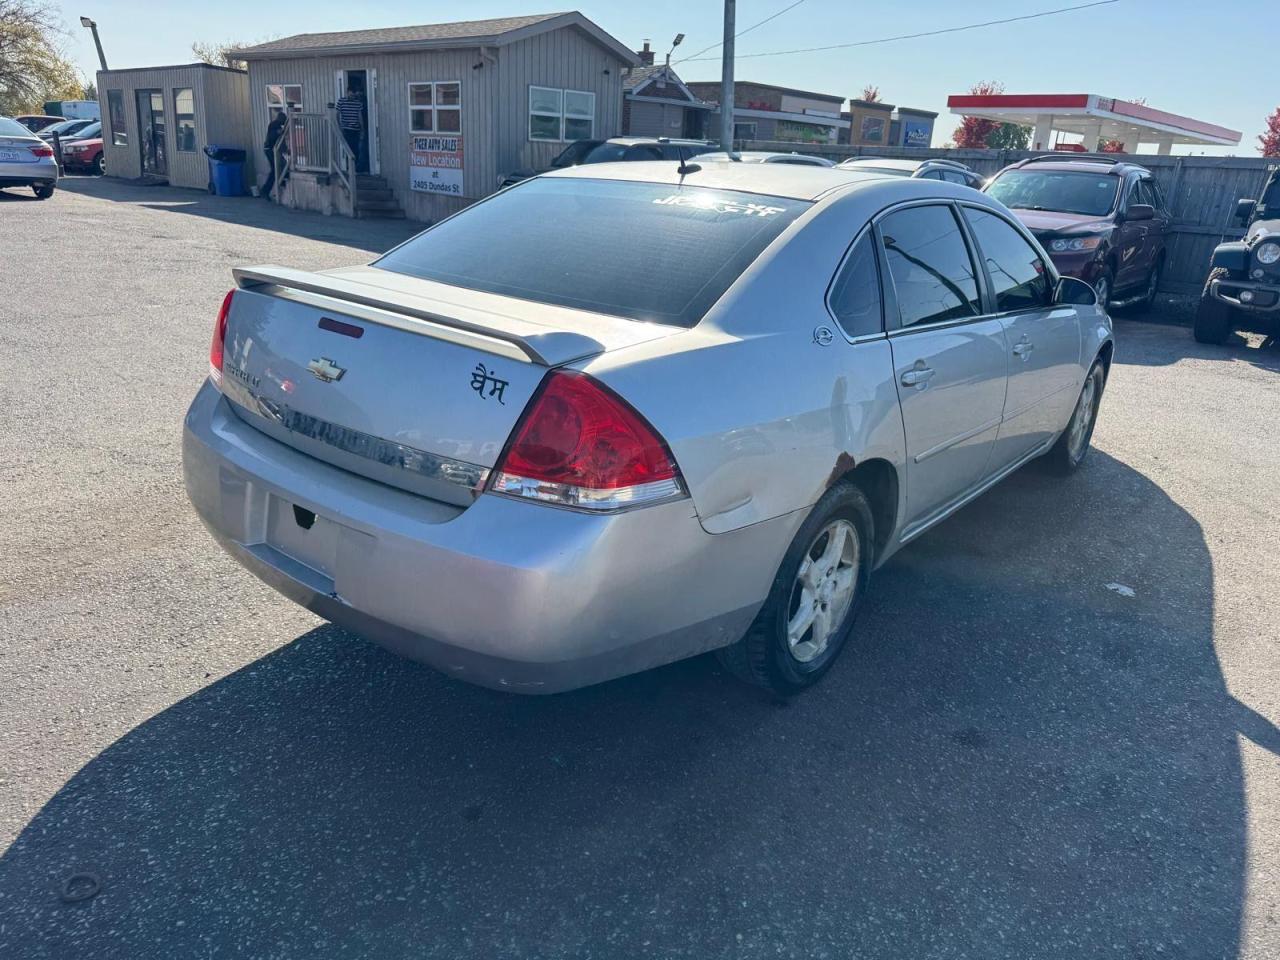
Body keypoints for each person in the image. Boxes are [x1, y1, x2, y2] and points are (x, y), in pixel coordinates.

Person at [261, 109, 290, 200]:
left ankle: (282, 180)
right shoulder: (274, 125)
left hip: (274, 150)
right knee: (275, 170)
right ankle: (265, 190)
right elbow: (273, 136)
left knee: (284, 164)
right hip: (269, 150)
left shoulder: (278, 125)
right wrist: (280, 131)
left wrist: (286, 150)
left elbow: (280, 141)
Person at [336, 86, 365, 173]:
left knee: (356, 149)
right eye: (351, 94)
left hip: (355, 129)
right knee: (348, 149)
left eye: (353, 95)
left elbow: (360, 116)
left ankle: (354, 168)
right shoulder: (341, 101)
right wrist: (339, 126)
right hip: (346, 129)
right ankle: (349, 168)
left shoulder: (358, 103)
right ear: (348, 92)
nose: (352, 96)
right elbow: (337, 114)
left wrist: (362, 129)